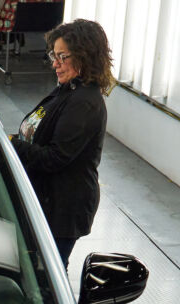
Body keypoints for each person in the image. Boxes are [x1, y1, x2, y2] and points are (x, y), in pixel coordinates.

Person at [11, 19, 113, 268]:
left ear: (84, 57)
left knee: (50, 275)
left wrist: (11, 144)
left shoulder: (84, 102)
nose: (55, 63)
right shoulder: (67, 90)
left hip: (63, 210)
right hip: (50, 201)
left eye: (62, 56)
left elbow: (54, 157)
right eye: (53, 55)